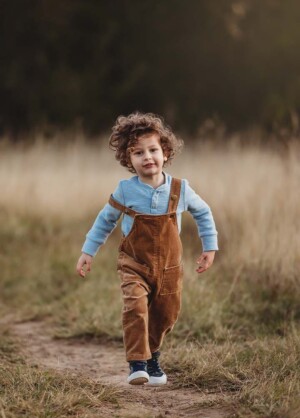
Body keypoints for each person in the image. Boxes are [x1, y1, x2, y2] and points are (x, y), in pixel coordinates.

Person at [76, 112, 218, 386]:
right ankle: (137, 364)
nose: (147, 157)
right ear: (128, 160)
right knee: (135, 307)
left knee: (166, 315)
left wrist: (209, 246)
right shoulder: (125, 190)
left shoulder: (181, 188)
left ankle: (153, 356)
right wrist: (88, 251)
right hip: (134, 264)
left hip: (169, 268)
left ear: (165, 152)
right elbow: (105, 220)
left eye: (153, 150)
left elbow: (203, 213)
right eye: (138, 153)